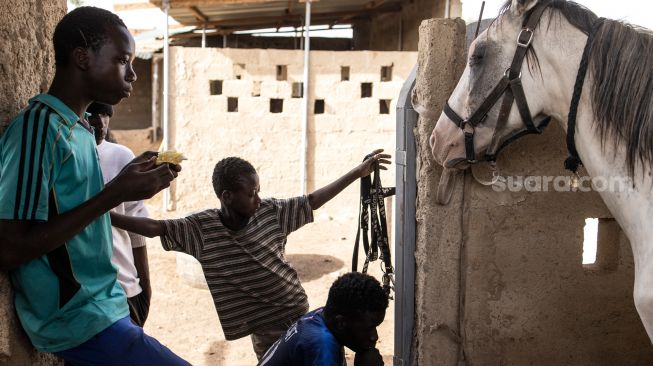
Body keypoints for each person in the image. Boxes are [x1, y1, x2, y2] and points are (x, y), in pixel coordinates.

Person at [0, 7, 188, 365]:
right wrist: (114, 194)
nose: (132, 73)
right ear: (82, 57)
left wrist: (124, 183)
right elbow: (9, 248)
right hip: (75, 320)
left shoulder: (81, 131)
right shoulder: (39, 129)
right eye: (122, 60)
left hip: (106, 305)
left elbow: (74, 210)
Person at [111, 151, 391, 360]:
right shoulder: (200, 229)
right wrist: (108, 215)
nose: (258, 198)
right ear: (227, 196)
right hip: (265, 330)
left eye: (258, 190)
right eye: (251, 192)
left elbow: (312, 201)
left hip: (299, 314)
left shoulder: (270, 212)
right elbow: (154, 228)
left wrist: (358, 173)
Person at [88, 102, 151, 327]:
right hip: (85, 293)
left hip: (124, 285)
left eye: (106, 114)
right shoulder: (67, 157)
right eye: (93, 114)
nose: (100, 122)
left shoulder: (121, 157)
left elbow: (136, 219)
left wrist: (144, 285)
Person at [258, 272, 388, 366]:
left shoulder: (321, 316)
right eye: (369, 329)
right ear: (341, 323)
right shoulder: (322, 346)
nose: (374, 337)